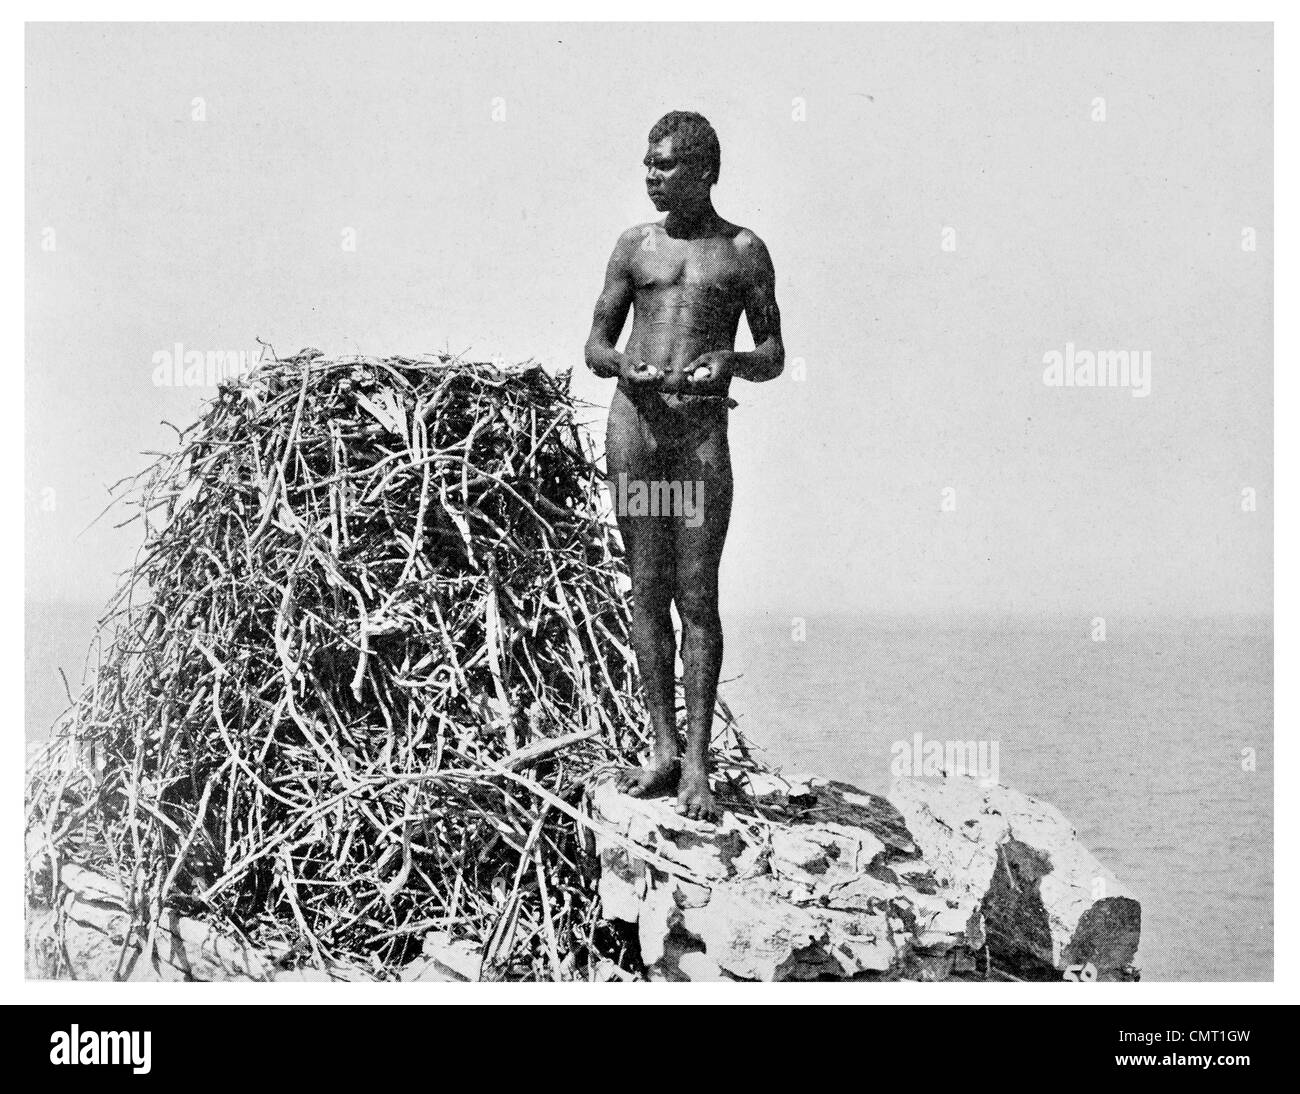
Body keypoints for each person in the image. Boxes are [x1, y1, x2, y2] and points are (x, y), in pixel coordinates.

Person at [584, 110, 784, 820]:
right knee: (645, 588)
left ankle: (699, 762)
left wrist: (729, 361)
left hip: (698, 434)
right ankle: (663, 748)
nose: (651, 177)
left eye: (665, 166)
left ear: (704, 171)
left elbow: (774, 355)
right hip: (636, 428)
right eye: (647, 164)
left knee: (696, 594)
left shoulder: (742, 251)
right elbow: (596, 346)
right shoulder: (634, 246)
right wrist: (625, 367)